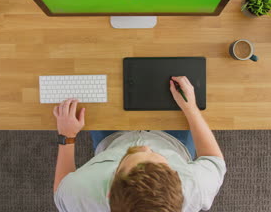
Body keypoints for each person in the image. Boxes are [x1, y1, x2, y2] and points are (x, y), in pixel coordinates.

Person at [53, 76, 226, 212]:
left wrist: (67, 136)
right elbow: (213, 159)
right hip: (173, 140)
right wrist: (191, 108)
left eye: (130, 157)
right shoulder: (197, 188)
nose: (146, 147)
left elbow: (62, 186)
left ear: (110, 192)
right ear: (180, 186)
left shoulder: (79, 197)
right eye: (156, 156)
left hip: (113, 141)